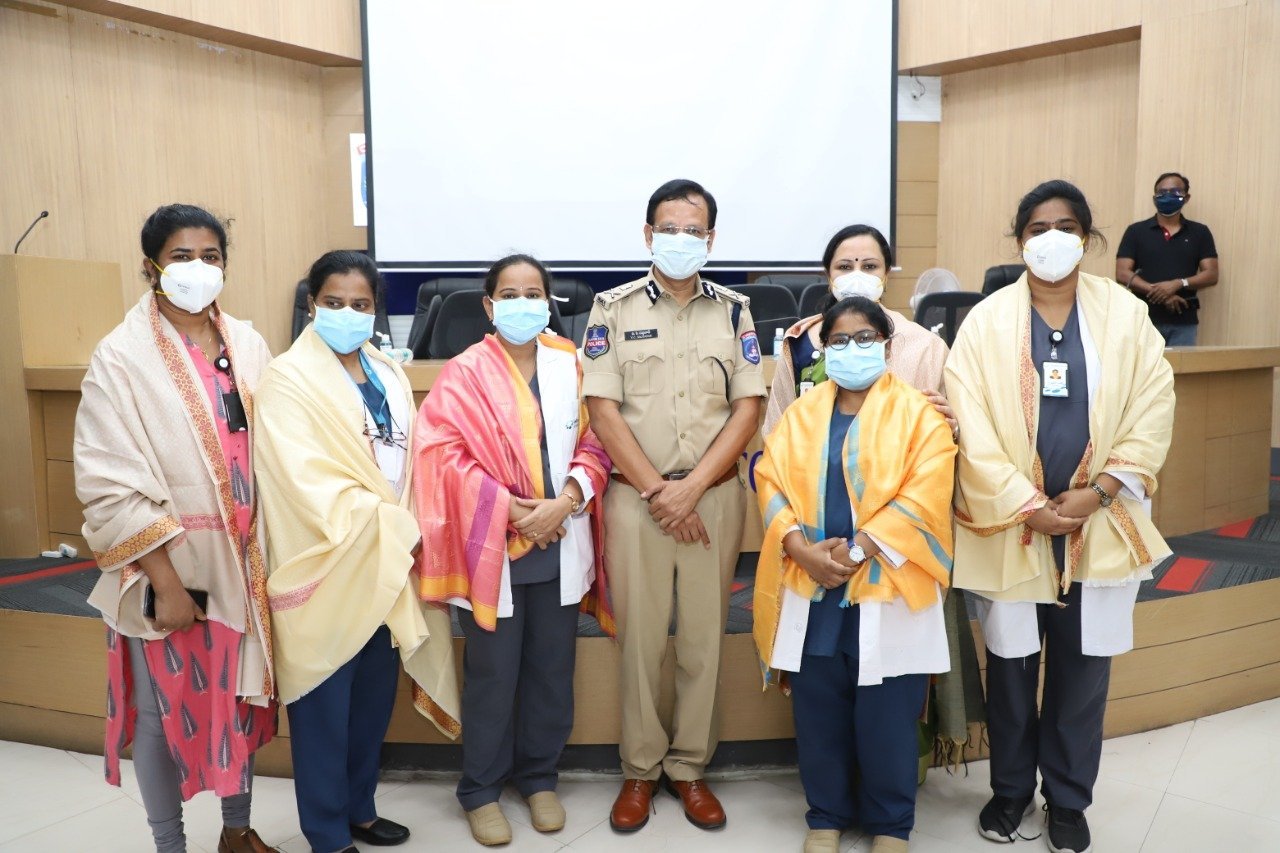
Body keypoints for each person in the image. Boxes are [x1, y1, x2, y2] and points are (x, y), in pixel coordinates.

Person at [945, 180, 1175, 853]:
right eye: (1038, 227)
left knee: (1081, 672)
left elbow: (1153, 403)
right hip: (1014, 522)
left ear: (1088, 236)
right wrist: (1026, 501)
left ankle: (1068, 799)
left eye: (1066, 225)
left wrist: (1100, 489)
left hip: (1097, 519)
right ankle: (1012, 788)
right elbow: (970, 421)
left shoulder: (1126, 315)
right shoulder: (985, 321)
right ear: (1020, 240)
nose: (1052, 238)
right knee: (1012, 666)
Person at [74, 203, 277, 853]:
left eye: (211, 257)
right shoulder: (121, 357)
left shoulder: (248, 343)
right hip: (168, 565)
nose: (198, 269)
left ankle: (237, 832)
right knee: (165, 716)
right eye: (182, 256)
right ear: (151, 266)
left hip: (243, 561)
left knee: (237, 700)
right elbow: (108, 481)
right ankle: (171, 845)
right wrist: (163, 583)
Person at [253, 251, 460, 853]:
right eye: (334, 303)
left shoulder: (389, 372)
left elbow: (412, 462)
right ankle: (324, 831)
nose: (348, 313)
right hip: (330, 558)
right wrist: (387, 523)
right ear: (312, 304)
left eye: (361, 304)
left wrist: (410, 526)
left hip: (387, 559)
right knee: (323, 703)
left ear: (377, 310)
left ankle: (360, 810)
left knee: (371, 699)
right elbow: (299, 475)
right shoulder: (288, 378)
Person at [763, 225, 983, 775]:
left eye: (869, 263)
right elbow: (775, 449)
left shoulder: (927, 346)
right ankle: (831, 803)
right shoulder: (798, 342)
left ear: (888, 273)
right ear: (826, 275)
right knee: (825, 689)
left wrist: (950, 423)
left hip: (899, 550)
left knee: (897, 686)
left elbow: (949, 446)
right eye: (843, 265)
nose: (856, 275)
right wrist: (802, 544)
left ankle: (896, 794)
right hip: (816, 549)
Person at [583, 179, 766, 832]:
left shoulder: (736, 311)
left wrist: (691, 489)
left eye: (694, 230)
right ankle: (640, 767)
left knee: (702, 641)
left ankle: (689, 767)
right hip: (638, 501)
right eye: (670, 228)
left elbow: (749, 407)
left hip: (713, 499)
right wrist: (662, 492)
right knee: (639, 641)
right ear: (647, 234)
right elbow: (602, 410)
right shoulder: (611, 307)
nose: (681, 240)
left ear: (711, 239)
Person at [413, 254, 613, 846]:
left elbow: (600, 434)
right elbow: (440, 455)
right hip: (495, 548)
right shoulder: (464, 373)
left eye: (533, 293)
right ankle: (480, 788)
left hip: (560, 535)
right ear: (488, 305)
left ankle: (539, 777)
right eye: (509, 293)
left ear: (550, 302)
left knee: (553, 668)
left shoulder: (571, 364)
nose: (522, 303)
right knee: (493, 673)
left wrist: (566, 501)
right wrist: (511, 507)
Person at [754, 297, 957, 853]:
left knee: (888, 713)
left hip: (888, 584)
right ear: (822, 350)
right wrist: (801, 549)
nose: (852, 350)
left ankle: (891, 824)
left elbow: (929, 490)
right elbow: (769, 478)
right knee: (819, 709)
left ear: (888, 345)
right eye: (838, 341)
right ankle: (826, 814)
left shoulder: (918, 413)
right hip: (812, 583)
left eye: (864, 338)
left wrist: (862, 549)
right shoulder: (803, 412)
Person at [1116, 171, 1219, 346]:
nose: (1167, 196)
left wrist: (1179, 283)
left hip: (1184, 322)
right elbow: (1122, 273)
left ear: (1186, 197)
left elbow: (1211, 274)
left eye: (1175, 192)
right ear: (1154, 197)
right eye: (1162, 192)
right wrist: (1162, 293)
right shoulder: (1136, 231)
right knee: (1142, 371)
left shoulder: (1200, 232)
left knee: (1182, 373)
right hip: (1143, 319)